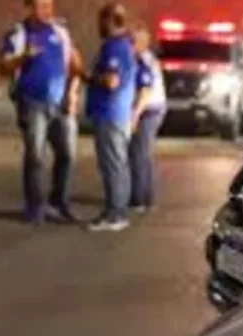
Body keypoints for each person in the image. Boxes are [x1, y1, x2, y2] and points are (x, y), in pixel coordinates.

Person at [0, 0, 82, 225]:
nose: (47, 11)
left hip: (60, 103)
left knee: (67, 154)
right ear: (29, 7)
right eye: (41, 6)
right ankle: (34, 207)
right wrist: (23, 57)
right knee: (35, 155)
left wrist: (72, 94)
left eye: (49, 5)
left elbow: (75, 65)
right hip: (31, 102)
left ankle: (59, 202)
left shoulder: (61, 32)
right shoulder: (19, 34)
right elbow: (3, 67)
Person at [84, 2, 137, 232]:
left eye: (101, 21)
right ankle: (117, 211)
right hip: (118, 113)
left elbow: (111, 81)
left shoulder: (114, 47)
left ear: (109, 21)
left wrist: (86, 76)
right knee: (118, 164)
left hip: (110, 113)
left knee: (112, 165)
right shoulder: (125, 45)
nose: (98, 26)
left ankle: (115, 214)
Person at [128, 26, 166, 214]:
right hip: (150, 109)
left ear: (142, 43)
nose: (129, 45)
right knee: (142, 154)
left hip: (149, 110)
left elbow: (144, 91)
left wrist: (134, 116)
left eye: (132, 41)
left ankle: (139, 199)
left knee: (139, 154)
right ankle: (145, 197)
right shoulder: (143, 58)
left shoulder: (144, 60)